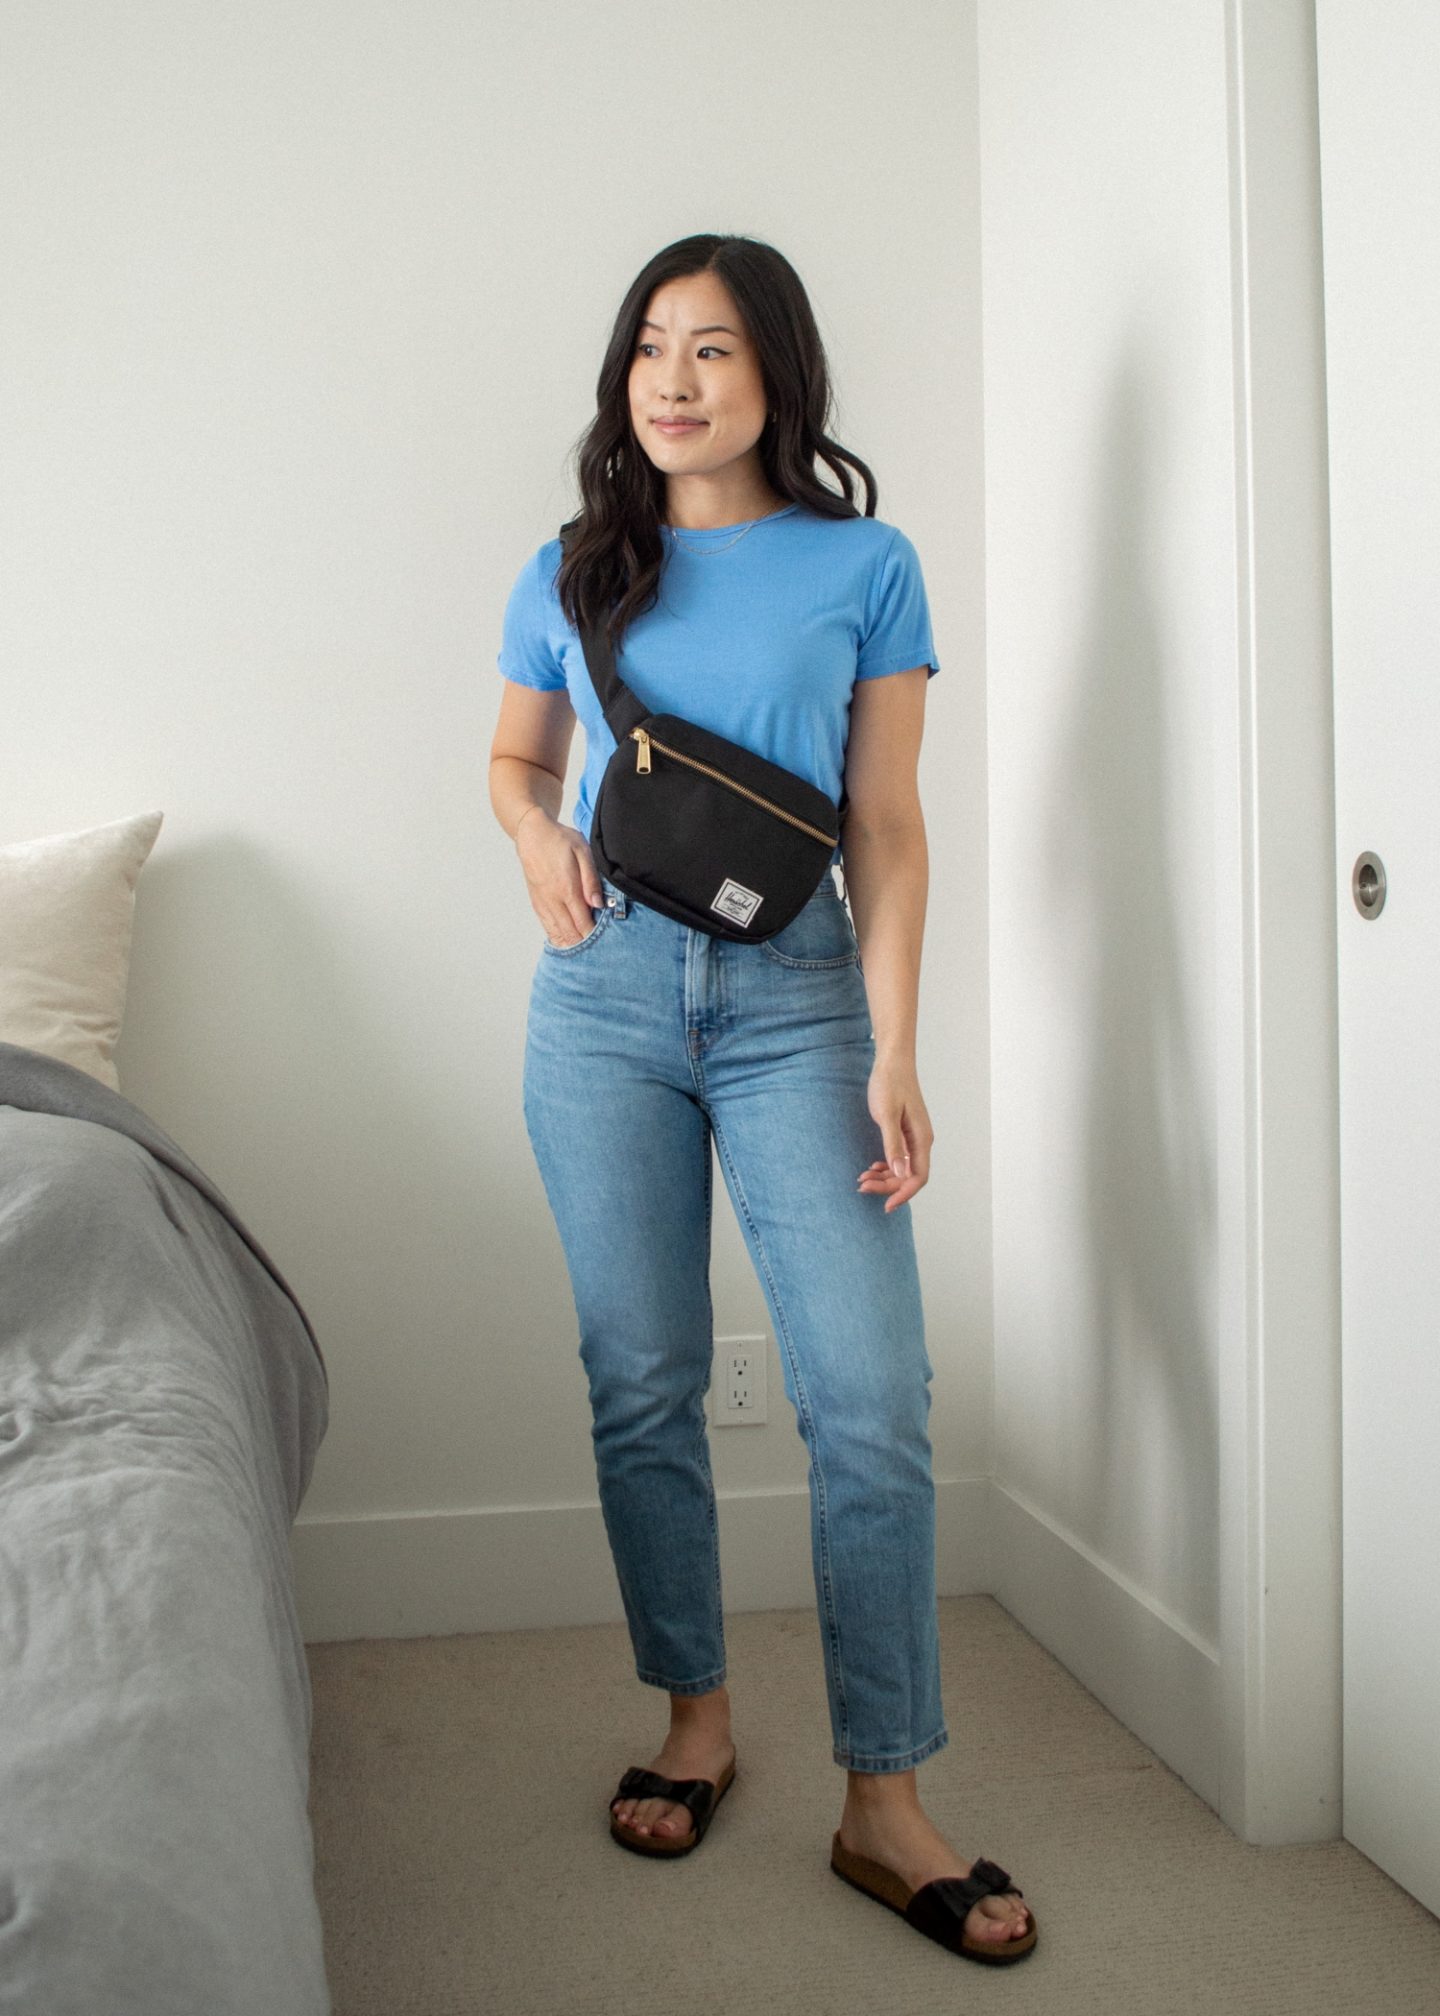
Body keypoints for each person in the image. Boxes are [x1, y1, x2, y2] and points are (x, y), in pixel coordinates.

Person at [488, 233, 1035, 1964]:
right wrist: (534, 840)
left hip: (803, 1004)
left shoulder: (867, 565)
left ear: (777, 375)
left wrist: (894, 1046)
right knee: (641, 1377)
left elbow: (884, 825)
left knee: (870, 1400)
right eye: (650, 345)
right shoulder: (574, 571)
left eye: (714, 348)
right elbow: (515, 762)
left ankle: (887, 1800)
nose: (673, 378)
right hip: (606, 1009)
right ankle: (696, 1718)